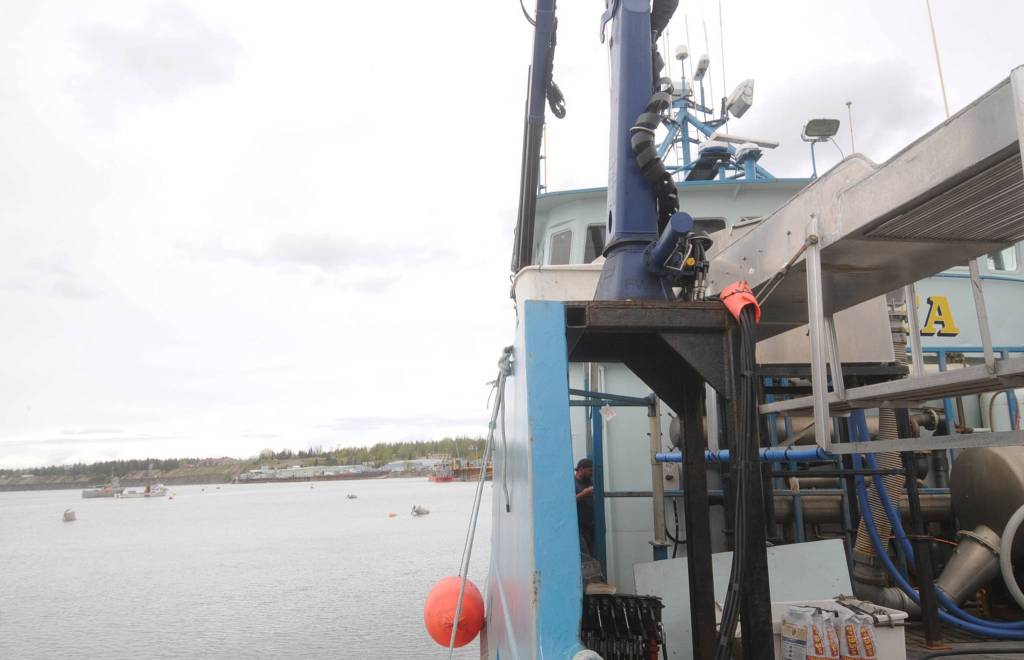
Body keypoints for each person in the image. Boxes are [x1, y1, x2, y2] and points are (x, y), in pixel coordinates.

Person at [574, 458, 595, 556]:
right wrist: (584, 493)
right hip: (578, 527)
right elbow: (568, 503)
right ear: (581, 469)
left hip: (590, 527)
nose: (592, 473)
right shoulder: (572, 483)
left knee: (592, 554)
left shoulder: (590, 482)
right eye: (590, 470)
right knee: (585, 555)